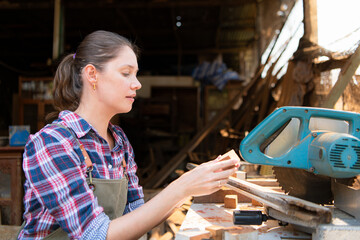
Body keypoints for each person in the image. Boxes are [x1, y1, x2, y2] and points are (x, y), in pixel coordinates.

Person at [18, 30, 240, 240]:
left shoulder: (119, 142)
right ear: (92, 75)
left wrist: (195, 185)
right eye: (126, 73)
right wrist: (182, 186)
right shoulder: (53, 143)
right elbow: (94, 235)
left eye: (136, 74)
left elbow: (136, 216)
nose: (137, 83)